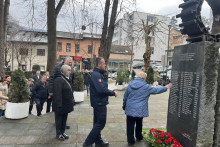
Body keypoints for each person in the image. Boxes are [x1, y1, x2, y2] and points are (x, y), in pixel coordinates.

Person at [123, 72, 172, 146]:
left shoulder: (130, 84)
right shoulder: (146, 86)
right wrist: (166, 87)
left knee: (130, 125)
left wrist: (124, 106)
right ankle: (139, 137)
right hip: (140, 109)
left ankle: (130, 141)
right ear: (143, 78)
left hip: (130, 108)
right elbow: (156, 90)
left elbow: (125, 96)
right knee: (139, 123)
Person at [83, 57, 118, 147]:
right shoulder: (96, 75)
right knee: (101, 123)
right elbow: (101, 90)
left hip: (98, 102)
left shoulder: (98, 74)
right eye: (103, 63)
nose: (105, 65)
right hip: (99, 103)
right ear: (99, 65)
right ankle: (88, 142)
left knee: (97, 122)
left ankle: (98, 141)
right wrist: (113, 93)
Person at [48, 56, 74, 129]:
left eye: (71, 63)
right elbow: (51, 79)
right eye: (69, 62)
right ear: (64, 61)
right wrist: (50, 91)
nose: (70, 64)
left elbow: (71, 80)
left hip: (66, 92)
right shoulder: (57, 68)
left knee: (65, 109)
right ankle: (58, 124)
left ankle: (63, 124)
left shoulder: (70, 68)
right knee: (59, 109)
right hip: (58, 92)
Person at [53, 65, 74, 141]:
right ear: (64, 71)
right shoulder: (59, 79)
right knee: (59, 120)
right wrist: (59, 105)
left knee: (64, 119)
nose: (70, 71)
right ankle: (58, 133)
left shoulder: (66, 78)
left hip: (66, 104)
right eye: (68, 70)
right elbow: (58, 93)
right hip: (60, 104)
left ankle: (62, 132)